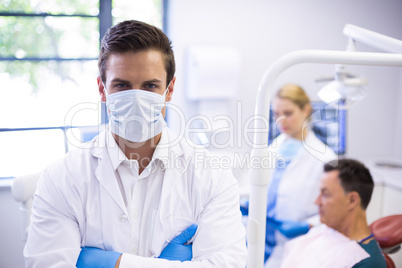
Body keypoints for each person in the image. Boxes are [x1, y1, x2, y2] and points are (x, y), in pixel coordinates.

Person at [24, 20, 247, 267]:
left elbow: (227, 264)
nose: (136, 99)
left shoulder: (211, 176)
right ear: (102, 89)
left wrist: (115, 263)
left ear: (169, 89)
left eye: (150, 86)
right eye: (122, 85)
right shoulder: (62, 178)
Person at [263, 84, 336, 267]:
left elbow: (336, 212)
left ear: (306, 109)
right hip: (261, 242)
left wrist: (309, 225)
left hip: (298, 247)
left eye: (288, 113)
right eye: (275, 114)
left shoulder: (325, 159)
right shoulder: (270, 150)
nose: (281, 121)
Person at [281, 159, 387, 268]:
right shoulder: (324, 231)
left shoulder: (367, 262)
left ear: (352, 200)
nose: (316, 202)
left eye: (325, 194)